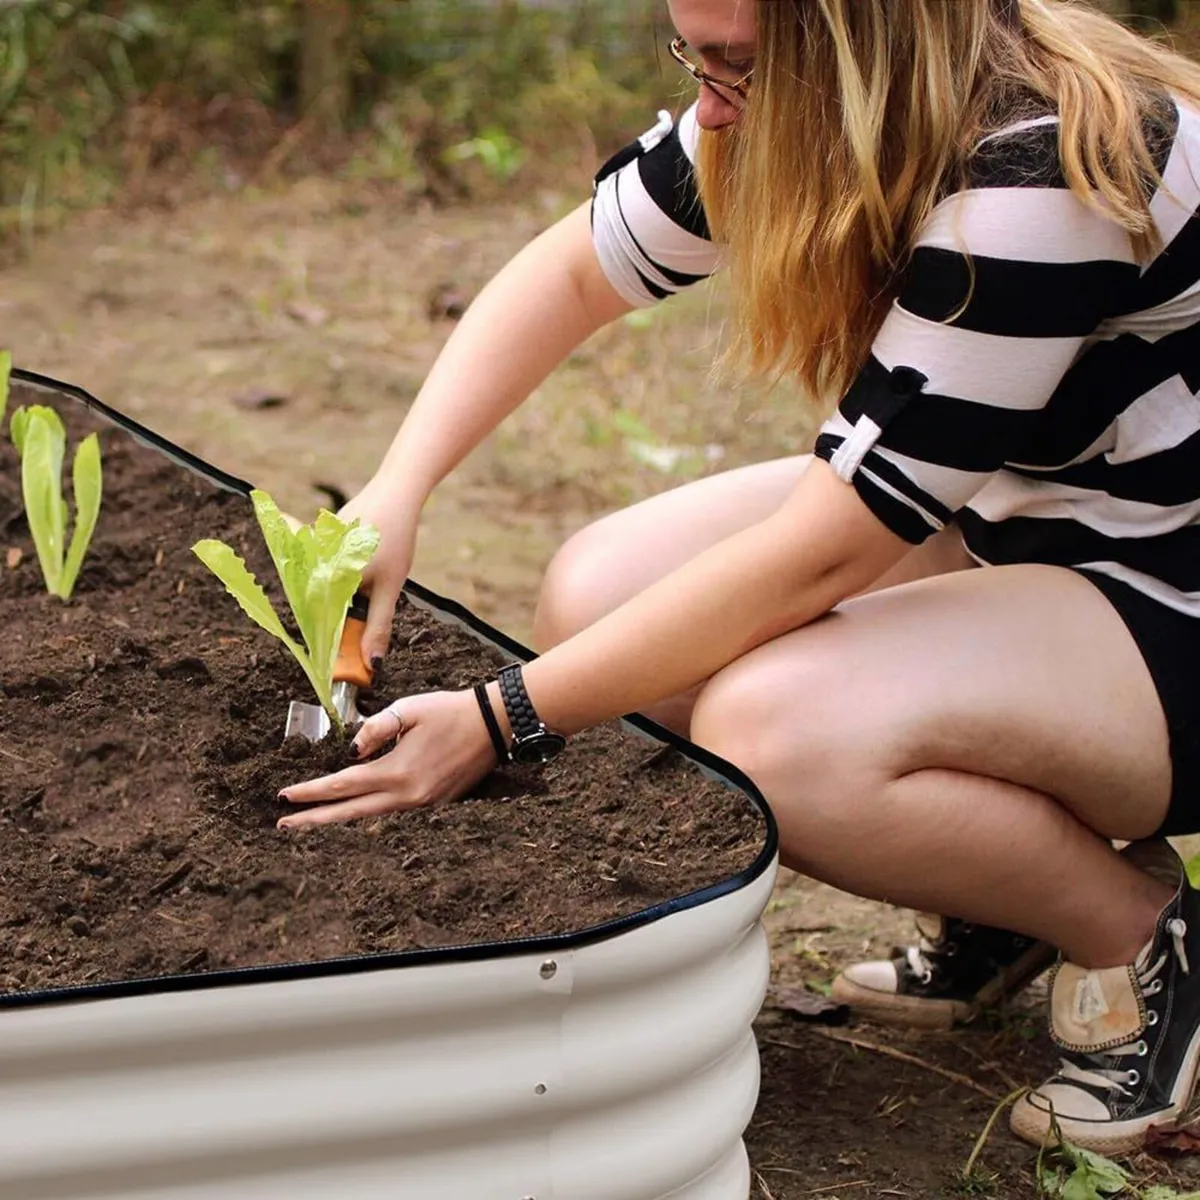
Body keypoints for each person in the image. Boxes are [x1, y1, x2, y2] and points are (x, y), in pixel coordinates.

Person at [278, 0, 1200, 1154]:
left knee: (781, 734)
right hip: (1037, 514)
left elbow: (839, 538)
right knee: (598, 594)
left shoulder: (1042, 168)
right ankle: (1003, 887)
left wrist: (505, 715)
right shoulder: (820, 108)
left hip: (1169, 591)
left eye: (738, 66)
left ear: (860, 49)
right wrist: (396, 490)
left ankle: (1141, 934)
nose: (708, 102)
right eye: (693, 57)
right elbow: (573, 273)